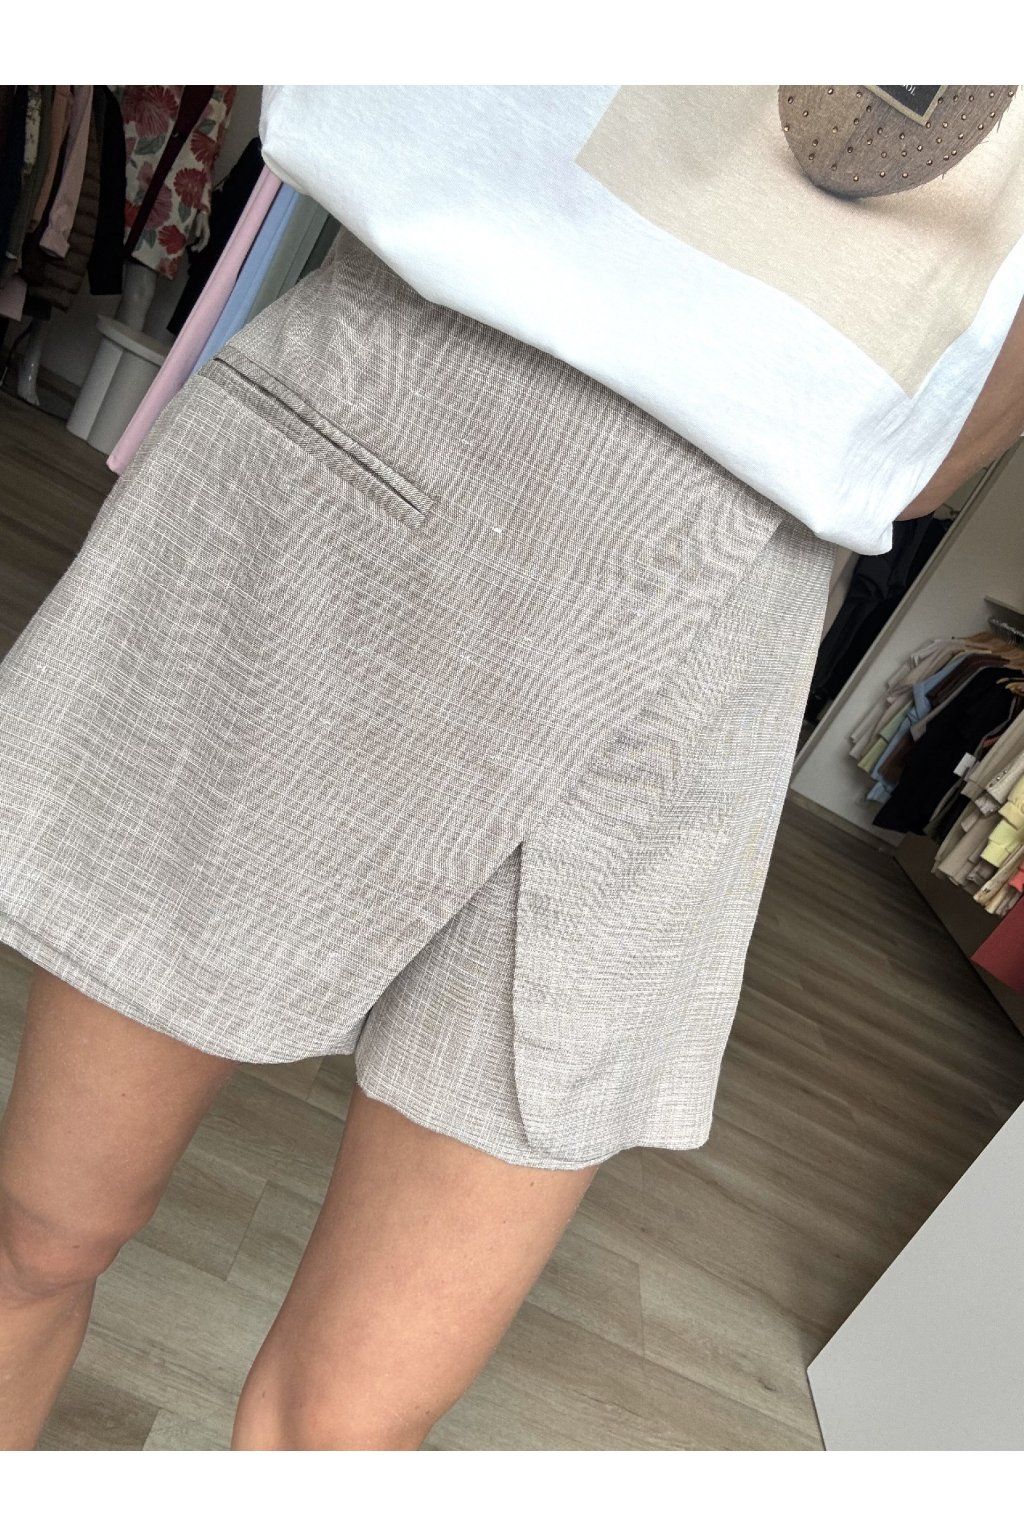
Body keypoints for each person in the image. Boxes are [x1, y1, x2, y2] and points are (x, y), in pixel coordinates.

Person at [0, 85, 1022, 1452]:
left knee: (350, 1426)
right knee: (45, 1232)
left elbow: (936, 439)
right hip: (401, 419)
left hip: (732, 611)